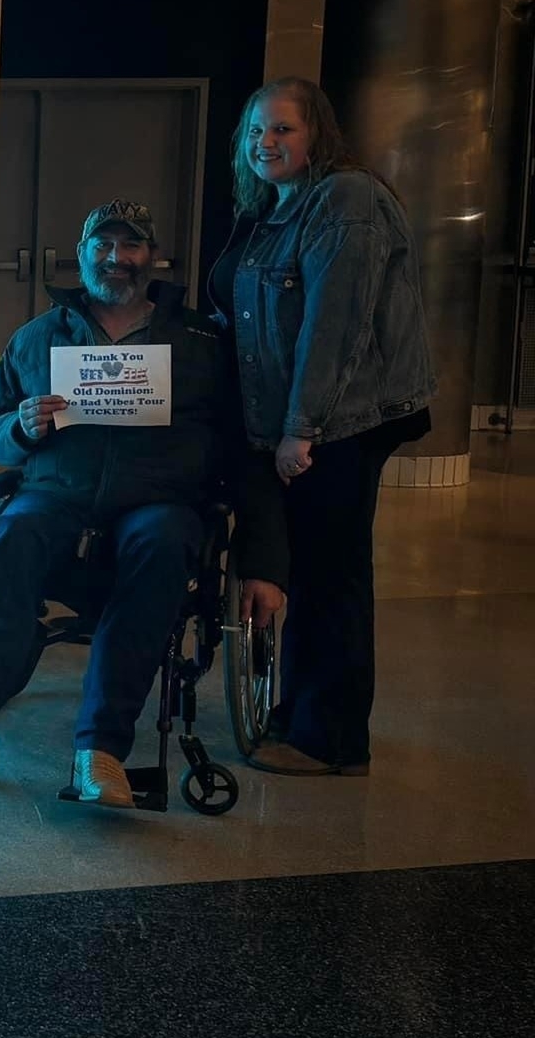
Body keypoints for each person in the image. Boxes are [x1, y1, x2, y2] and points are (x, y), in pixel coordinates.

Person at [0, 200, 288, 807]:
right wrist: (20, 427)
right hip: (58, 495)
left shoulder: (201, 342)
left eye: (130, 245)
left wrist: (263, 561)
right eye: (102, 245)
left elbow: (244, 449)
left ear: (152, 258)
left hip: (160, 502)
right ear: (81, 255)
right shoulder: (39, 337)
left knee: (160, 543)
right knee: (15, 530)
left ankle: (100, 751)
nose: (115, 257)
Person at [212, 78, 433, 779]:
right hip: (293, 420)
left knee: (333, 575)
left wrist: (300, 430)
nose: (265, 143)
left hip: (337, 422)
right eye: (256, 131)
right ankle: (302, 714)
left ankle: (332, 741)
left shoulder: (345, 200)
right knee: (308, 569)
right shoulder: (277, 207)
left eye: (283, 129)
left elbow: (334, 328)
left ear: (319, 135)